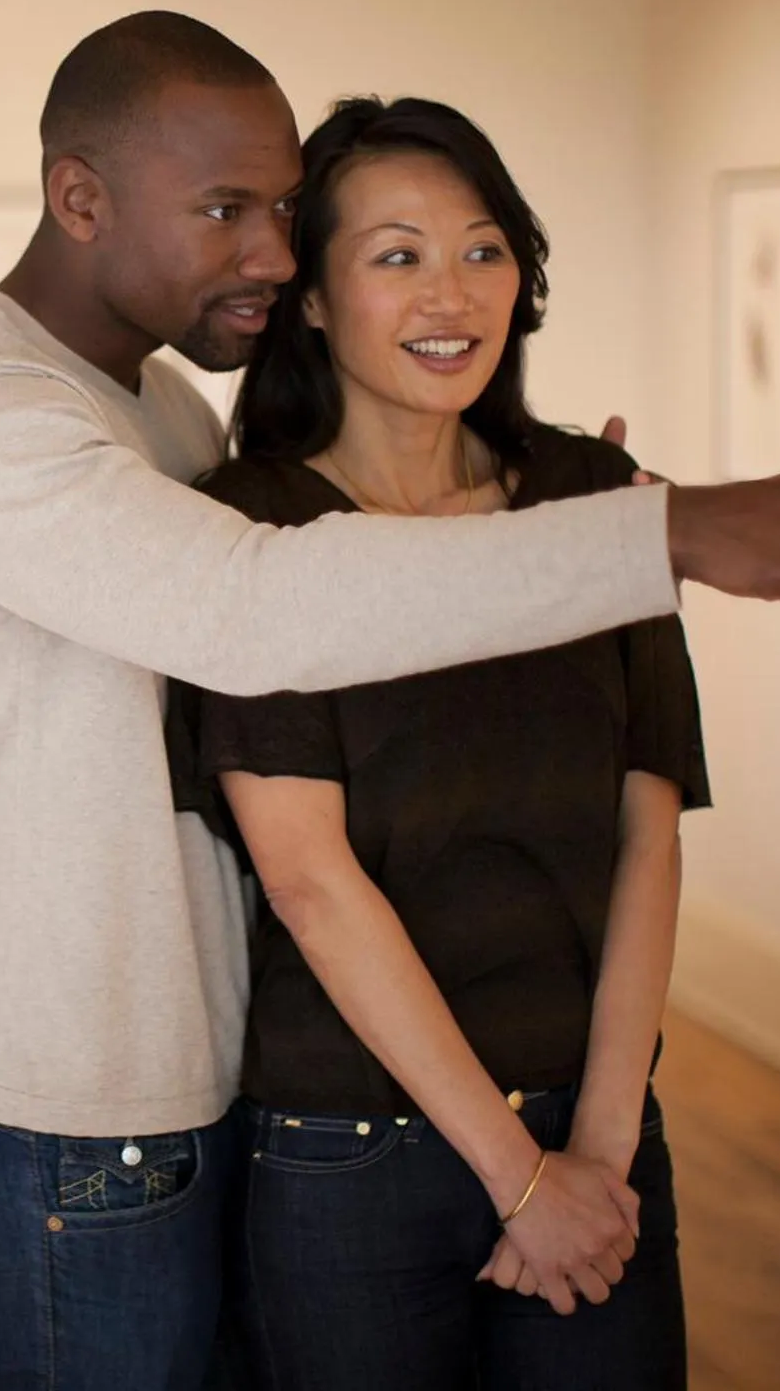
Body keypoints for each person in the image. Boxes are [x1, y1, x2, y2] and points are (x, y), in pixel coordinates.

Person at [0, 12, 780, 1389]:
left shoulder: (163, 419)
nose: (267, 251)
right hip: (52, 1123)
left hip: (176, 1092)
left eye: (286, 213)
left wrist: (577, 513)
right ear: (82, 198)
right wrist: (652, 541)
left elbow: (350, 609)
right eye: (226, 211)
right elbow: (259, 612)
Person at [170, 94, 718, 1389]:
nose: (452, 294)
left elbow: (649, 830)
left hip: (594, 1129)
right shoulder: (252, 528)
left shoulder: (595, 500)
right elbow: (308, 880)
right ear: (311, 297)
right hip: (348, 1147)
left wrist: (595, 1145)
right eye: (397, 255)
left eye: (483, 249)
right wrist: (521, 1178)